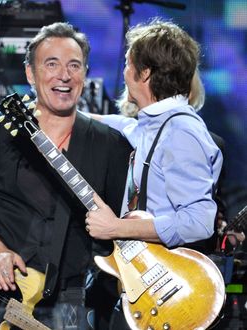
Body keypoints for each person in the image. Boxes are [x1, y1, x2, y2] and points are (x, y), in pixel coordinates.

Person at [0, 22, 132, 329]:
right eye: (51, 64)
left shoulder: (110, 144)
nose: (64, 75)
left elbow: (117, 228)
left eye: (74, 65)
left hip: (70, 299)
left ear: (84, 75)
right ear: (30, 74)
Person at [84, 18, 223, 328]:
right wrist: (68, 114)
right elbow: (129, 128)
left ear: (144, 73)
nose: (123, 72)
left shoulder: (181, 132)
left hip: (168, 291)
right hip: (142, 283)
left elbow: (198, 222)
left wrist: (118, 228)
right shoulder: (158, 123)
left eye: (127, 64)